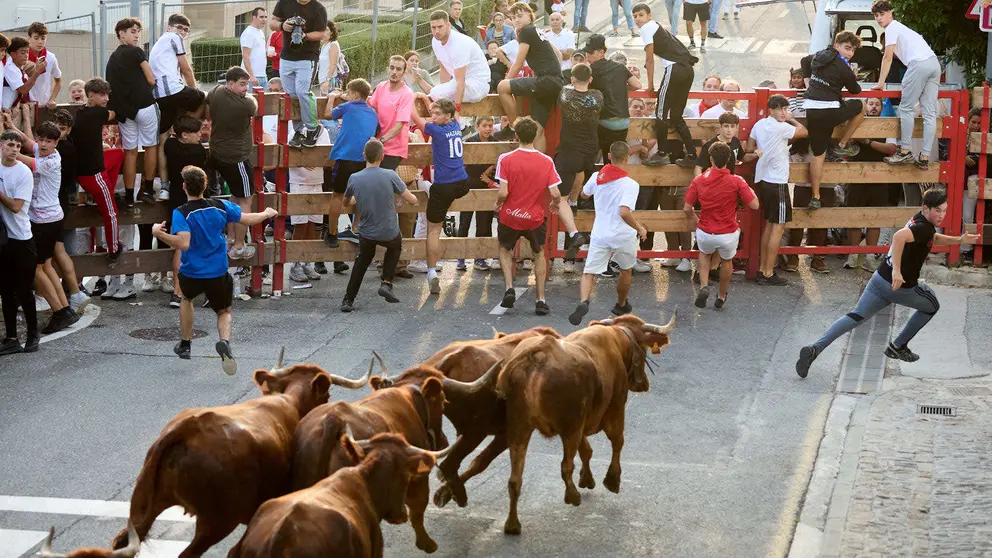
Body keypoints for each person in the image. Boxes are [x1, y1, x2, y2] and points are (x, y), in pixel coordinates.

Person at [796, 188, 980, 378]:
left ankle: (813, 349)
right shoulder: (923, 227)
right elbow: (898, 237)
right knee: (931, 305)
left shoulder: (921, 222)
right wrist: (897, 272)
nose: (942, 215)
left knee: (854, 317)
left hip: (879, 280)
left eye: (944, 210)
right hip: (898, 287)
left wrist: (958, 240)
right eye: (938, 210)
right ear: (926, 208)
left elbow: (931, 238)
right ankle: (898, 346)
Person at [153, 165, 278, 374]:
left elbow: (183, 243)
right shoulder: (220, 206)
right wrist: (266, 213)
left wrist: (159, 233)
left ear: (184, 187)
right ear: (205, 186)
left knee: (186, 299)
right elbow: (248, 219)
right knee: (224, 310)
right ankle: (224, 342)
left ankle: (185, 343)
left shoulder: (181, 212)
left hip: (191, 270)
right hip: (217, 271)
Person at [4, 119, 81, 332]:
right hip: (48, 218)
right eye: (42, 139)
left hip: (45, 221)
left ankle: (59, 311)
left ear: (57, 142)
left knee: (35, 269)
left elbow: (24, 158)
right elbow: (28, 142)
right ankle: (65, 309)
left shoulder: (52, 161)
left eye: (49, 141)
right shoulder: (41, 149)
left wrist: (8, 149)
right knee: (45, 266)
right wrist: (11, 125)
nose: (43, 144)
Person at [568, 141, 646, 325]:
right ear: (626, 159)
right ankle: (621, 304)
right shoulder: (631, 184)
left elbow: (584, 195)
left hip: (600, 233)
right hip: (623, 235)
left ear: (609, 156)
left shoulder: (597, 176)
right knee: (625, 270)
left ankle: (584, 301)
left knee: (589, 273)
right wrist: (639, 228)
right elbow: (624, 212)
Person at [339, 139, 420, 312]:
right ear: (382, 156)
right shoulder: (390, 175)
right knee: (396, 246)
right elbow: (412, 199)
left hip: (367, 232)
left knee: (361, 262)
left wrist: (357, 197)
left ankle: (348, 299)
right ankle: (387, 282)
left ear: (363, 156)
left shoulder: (354, 178)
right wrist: (414, 199)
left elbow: (346, 202)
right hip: (388, 230)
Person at [494, 116, 561, 315]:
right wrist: (555, 204)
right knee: (539, 254)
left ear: (516, 136)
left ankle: (509, 287)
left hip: (511, 215)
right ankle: (540, 299)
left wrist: (498, 204)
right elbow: (556, 193)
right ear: (535, 135)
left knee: (505, 250)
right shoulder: (546, 160)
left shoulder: (505, 159)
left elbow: (503, 192)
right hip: (534, 217)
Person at [684, 141, 759, 309]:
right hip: (727, 232)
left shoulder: (698, 181)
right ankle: (722, 295)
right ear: (729, 159)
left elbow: (687, 208)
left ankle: (704, 286)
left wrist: (698, 222)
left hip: (705, 231)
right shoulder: (736, 181)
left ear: (711, 160)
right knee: (727, 261)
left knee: (704, 254)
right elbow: (755, 205)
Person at [870, 0, 939, 170]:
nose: (879, 19)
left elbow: (887, 57)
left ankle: (905, 150)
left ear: (890, 13)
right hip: (933, 63)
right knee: (930, 114)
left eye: (881, 14)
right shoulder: (903, 28)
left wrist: (880, 83)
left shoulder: (892, 28)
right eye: (876, 16)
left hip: (918, 65)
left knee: (906, 108)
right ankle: (924, 156)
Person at [410, 97, 469, 295]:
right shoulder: (456, 125)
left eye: (437, 114)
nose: (433, 116)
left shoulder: (436, 130)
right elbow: (438, 112)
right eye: (432, 113)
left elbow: (414, 117)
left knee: (433, 230)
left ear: (447, 115)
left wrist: (410, 99)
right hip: (462, 182)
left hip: (444, 185)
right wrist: (427, 100)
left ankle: (432, 271)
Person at [801, 30, 866, 209]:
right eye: (847, 48)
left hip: (812, 109)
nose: (850, 53)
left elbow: (804, 61)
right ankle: (842, 145)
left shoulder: (819, 56)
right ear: (836, 45)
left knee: (818, 154)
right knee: (861, 106)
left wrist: (808, 83)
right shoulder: (843, 66)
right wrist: (852, 74)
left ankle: (815, 196)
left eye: (852, 50)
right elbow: (855, 90)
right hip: (830, 110)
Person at [747, 93, 807, 286]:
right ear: (771, 110)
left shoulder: (759, 125)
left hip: (763, 179)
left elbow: (749, 147)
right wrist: (791, 118)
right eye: (780, 109)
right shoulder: (782, 127)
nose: (783, 112)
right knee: (778, 227)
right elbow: (804, 132)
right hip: (777, 182)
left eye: (785, 108)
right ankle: (767, 272)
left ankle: (762, 269)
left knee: (770, 225)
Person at [633, 3, 700, 169]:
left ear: (649, 16)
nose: (637, 19)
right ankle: (692, 155)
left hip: (674, 68)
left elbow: (649, 59)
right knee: (676, 116)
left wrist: (649, 85)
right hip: (687, 69)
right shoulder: (656, 26)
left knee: (660, 112)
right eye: (634, 16)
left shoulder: (647, 28)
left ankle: (662, 154)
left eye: (641, 15)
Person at [494, 2, 565, 151]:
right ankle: (540, 165)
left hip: (545, 80)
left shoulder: (525, 32)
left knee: (502, 86)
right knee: (537, 130)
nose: (517, 20)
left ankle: (514, 128)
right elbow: (559, 55)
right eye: (513, 18)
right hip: (555, 83)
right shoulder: (538, 30)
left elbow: (519, 63)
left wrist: (506, 81)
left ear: (530, 16)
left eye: (520, 16)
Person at [150, 13, 205, 204]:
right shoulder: (172, 38)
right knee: (202, 97)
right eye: (179, 27)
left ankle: (164, 187)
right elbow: (186, 68)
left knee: (163, 140)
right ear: (169, 27)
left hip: (160, 95)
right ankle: (188, 131)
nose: (182, 32)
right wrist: (194, 89)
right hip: (171, 90)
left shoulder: (160, 43)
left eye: (186, 30)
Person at [71, 78, 125, 265]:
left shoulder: (81, 112)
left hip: (82, 171)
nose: (106, 98)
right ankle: (113, 249)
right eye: (102, 95)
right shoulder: (98, 113)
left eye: (107, 95)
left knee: (117, 154)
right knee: (111, 213)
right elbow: (113, 114)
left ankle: (105, 191)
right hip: (93, 174)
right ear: (91, 96)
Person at [206, 67, 258, 262]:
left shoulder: (216, 92)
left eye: (247, 84)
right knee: (245, 200)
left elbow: (208, 103)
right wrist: (250, 97)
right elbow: (254, 106)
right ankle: (238, 245)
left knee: (235, 197)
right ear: (230, 84)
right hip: (237, 158)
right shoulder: (244, 104)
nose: (246, 88)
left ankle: (230, 238)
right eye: (242, 84)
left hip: (217, 153)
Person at [106, 17, 159, 207]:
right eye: (133, 31)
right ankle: (148, 190)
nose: (137, 35)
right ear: (121, 34)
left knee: (130, 152)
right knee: (151, 146)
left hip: (124, 112)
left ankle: (128, 197)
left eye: (138, 31)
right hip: (145, 105)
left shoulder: (112, 59)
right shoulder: (137, 52)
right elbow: (151, 79)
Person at [323, 78, 379, 251]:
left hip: (345, 157)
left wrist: (332, 97)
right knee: (360, 196)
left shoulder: (347, 106)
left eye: (348, 93)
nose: (346, 95)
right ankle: (356, 228)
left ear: (354, 94)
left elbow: (327, 115)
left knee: (337, 195)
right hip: (364, 159)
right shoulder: (372, 112)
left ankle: (332, 233)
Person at [161, 115, 209, 306]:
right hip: (197, 202)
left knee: (180, 247)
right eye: (196, 132)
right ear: (185, 135)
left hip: (177, 202)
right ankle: (206, 290)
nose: (200, 135)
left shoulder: (171, 147)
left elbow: (165, 139)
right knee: (201, 246)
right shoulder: (199, 152)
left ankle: (177, 292)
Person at [554, 62, 598, 265]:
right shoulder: (598, 96)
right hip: (590, 150)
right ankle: (573, 200)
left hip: (569, 149)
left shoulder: (565, 94)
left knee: (558, 198)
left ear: (572, 79)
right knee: (580, 171)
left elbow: (562, 79)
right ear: (590, 79)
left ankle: (573, 234)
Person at [0, 130, 40, 355]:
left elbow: (16, 207)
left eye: (18, 146)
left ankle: (34, 333)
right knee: (5, 290)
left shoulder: (24, 172)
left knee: (24, 290)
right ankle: (11, 338)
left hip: (22, 239)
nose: (15, 149)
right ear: (1, 146)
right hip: (3, 241)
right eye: (10, 145)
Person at [270, 0, 328, 148]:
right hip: (286, 57)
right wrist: (283, 26)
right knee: (291, 94)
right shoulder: (284, 2)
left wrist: (305, 36)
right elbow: (273, 22)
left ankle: (313, 128)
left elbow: (321, 34)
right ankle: (299, 130)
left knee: (303, 91)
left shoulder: (318, 8)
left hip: (307, 57)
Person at [48, 108, 90, 313]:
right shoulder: (66, 146)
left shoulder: (62, 149)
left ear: (69, 129)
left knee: (59, 248)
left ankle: (73, 288)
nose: (58, 131)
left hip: (57, 202)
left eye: (62, 129)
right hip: (60, 200)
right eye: (56, 127)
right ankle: (73, 288)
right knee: (61, 247)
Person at [584, 34, 642, 164]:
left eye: (590, 52)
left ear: (601, 52)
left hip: (604, 120)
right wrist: (620, 88)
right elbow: (638, 85)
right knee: (617, 158)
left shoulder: (590, 70)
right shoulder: (620, 67)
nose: (587, 55)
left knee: (600, 154)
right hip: (623, 122)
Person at [458, 116, 497, 272]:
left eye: (490, 125)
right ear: (477, 126)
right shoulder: (470, 141)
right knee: (464, 221)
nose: (488, 128)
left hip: (486, 184)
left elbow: (499, 159)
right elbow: (464, 162)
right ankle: (460, 257)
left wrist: (489, 170)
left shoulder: (496, 142)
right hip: (469, 184)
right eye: (484, 125)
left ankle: (480, 258)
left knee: (484, 222)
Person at [428, 10, 491, 106]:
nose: (436, 31)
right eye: (433, 27)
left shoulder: (459, 43)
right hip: (460, 83)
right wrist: (444, 89)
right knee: (435, 93)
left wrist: (457, 108)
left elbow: (460, 81)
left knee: (435, 93)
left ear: (448, 25)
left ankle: (457, 119)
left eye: (440, 27)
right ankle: (455, 119)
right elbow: (444, 70)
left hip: (478, 86)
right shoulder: (435, 41)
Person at [368, 56, 414, 171]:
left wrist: (381, 141)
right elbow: (371, 108)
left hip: (394, 148)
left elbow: (400, 125)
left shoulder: (407, 94)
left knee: (382, 181)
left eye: (398, 69)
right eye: (392, 68)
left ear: (403, 73)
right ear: (387, 69)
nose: (394, 72)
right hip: (376, 143)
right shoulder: (381, 86)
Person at [2, 36, 45, 110]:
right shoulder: (9, 68)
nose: (26, 55)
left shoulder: (18, 68)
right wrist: (36, 72)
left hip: (11, 108)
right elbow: (23, 90)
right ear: (13, 55)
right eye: (23, 52)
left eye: (27, 52)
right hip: (4, 109)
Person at [26, 22, 62, 109]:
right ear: (29, 38)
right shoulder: (22, 56)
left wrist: (52, 99)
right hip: (25, 105)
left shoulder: (51, 58)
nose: (40, 42)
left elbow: (58, 81)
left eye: (43, 38)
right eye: (36, 38)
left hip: (43, 105)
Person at [240, 7, 269, 89]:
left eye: (265, 17)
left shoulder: (260, 32)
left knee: (264, 102)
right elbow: (245, 56)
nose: (264, 19)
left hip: (263, 75)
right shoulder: (248, 33)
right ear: (254, 17)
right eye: (261, 17)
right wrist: (251, 76)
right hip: (252, 78)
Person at [318, 21, 348, 95]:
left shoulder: (333, 45)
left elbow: (333, 64)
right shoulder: (325, 45)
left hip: (331, 82)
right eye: (322, 30)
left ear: (331, 32)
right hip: (323, 81)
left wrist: (327, 81)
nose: (324, 33)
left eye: (326, 30)